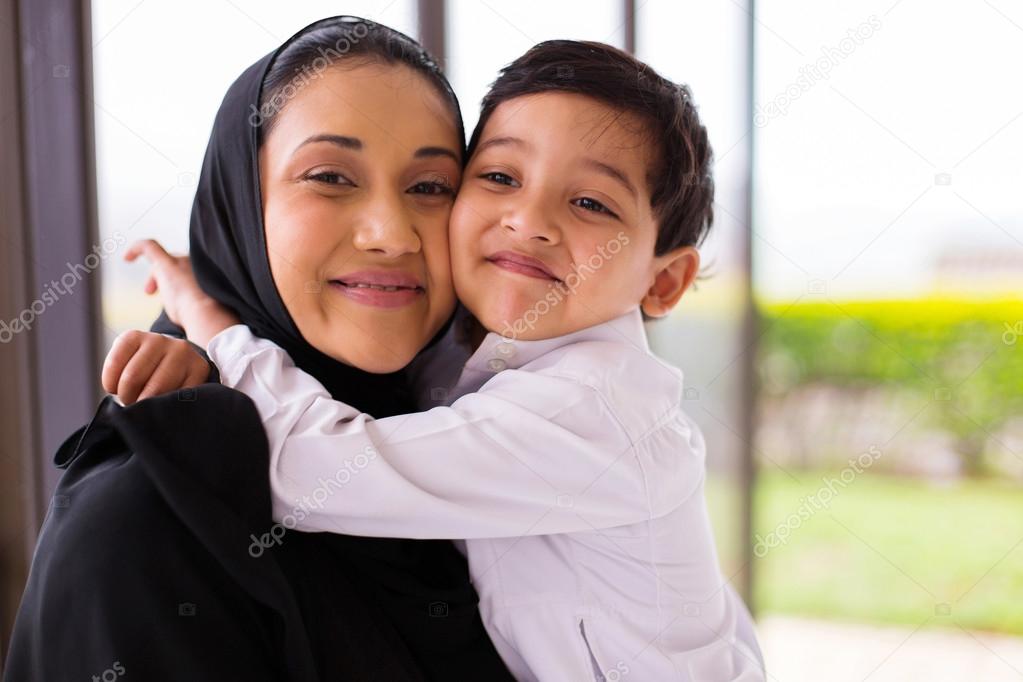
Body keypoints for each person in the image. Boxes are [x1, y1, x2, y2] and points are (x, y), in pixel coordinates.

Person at [105, 41, 766, 680]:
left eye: (590, 202)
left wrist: (212, 322)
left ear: (664, 283)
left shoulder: (594, 410)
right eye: (500, 177)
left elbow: (311, 472)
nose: (528, 219)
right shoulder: (469, 354)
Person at [4, 16, 514, 681]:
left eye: (428, 187)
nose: (393, 235)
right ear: (240, 206)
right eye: (330, 176)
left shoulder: (479, 448)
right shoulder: (146, 524)